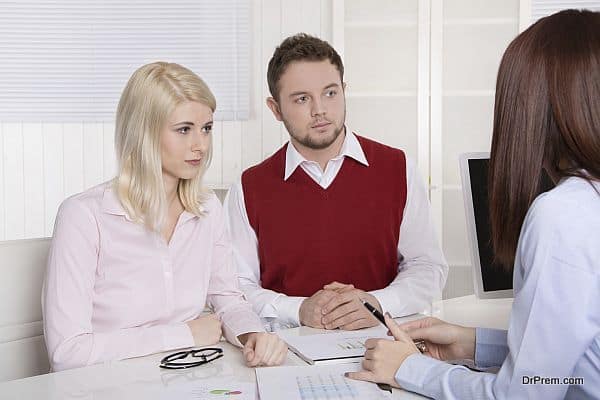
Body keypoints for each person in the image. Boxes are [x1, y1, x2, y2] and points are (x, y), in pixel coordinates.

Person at [347, 9, 600, 399]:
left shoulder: (564, 214)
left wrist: (409, 369)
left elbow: (525, 392)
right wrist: (473, 343)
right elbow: (577, 362)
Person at [42, 62, 288, 372]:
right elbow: (67, 352)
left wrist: (252, 335)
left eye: (206, 128)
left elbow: (228, 299)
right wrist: (184, 334)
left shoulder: (207, 207)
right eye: (184, 129)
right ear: (143, 132)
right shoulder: (83, 216)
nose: (200, 145)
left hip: (186, 378)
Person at [224, 34, 448, 331]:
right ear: (275, 109)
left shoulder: (398, 168)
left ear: (344, 91)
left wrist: (378, 304)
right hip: (287, 355)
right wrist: (299, 308)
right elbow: (236, 288)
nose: (320, 110)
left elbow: (428, 267)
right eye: (302, 99)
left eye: (330, 93)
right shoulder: (248, 187)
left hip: (385, 344)